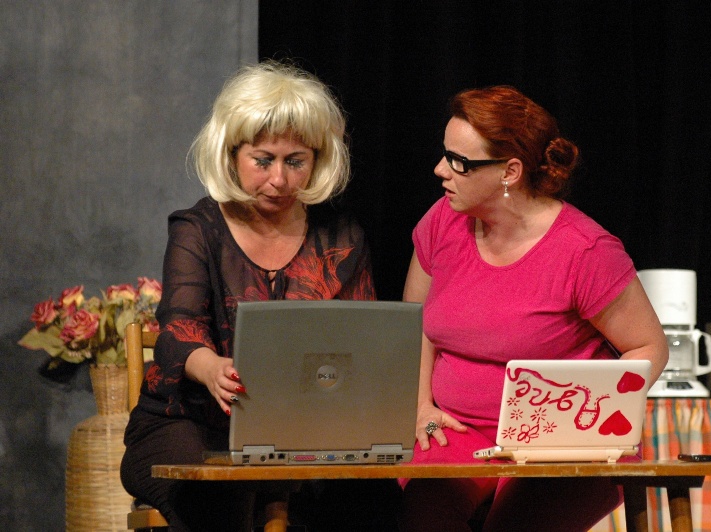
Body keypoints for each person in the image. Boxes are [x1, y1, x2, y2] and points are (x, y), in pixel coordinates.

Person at [120, 60, 398, 531]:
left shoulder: (341, 234)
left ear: (317, 160)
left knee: (374, 497)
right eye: (263, 160)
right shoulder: (197, 229)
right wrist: (212, 368)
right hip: (192, 424)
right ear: (232, 154)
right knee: (222, 492)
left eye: (295, 162)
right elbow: (178, 331)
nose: (279, 180)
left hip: (306, 432)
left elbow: (362, 342)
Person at [399, 85, 669, 532]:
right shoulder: (443, 221)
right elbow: (414, 327)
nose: (440, 170)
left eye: (459, 162)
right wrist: (419, 406)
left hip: (557, 442)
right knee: (423, 515)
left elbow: (648, 347)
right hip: (457, 429)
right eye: (445, 154)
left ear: (510, 171)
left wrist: (582, 421)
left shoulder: (585, 251)